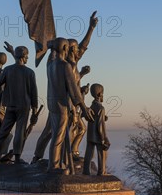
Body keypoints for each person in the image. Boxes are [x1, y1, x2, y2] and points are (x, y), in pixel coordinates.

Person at [30, 11, 97, 163]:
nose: (78, 49)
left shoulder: (69, 62)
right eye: (74, 47)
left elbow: (84, 46)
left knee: (67, 130)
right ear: (68, 49)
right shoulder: (64, 64)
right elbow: (71, 87)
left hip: (68, 102)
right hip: (65, 102)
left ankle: (66, 155)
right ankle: (46, 158)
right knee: (54, 131)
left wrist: (91, 28)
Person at [46, 38, 93, 173]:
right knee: (59, 136)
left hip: (52, 103)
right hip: (61, 104)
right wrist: (84, 108)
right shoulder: (65, 65)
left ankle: (54, 164)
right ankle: (53, 166)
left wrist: (51, 46)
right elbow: (73, 90)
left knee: (56, 133)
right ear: (66, 49)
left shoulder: (50, 64)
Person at [83, 83, 110, 175]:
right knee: (101, 153)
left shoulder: (92, 106)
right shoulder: (101, 108)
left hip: (90, 135)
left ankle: (86, 171)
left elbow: (92, 118)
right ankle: (101, 172)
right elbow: (100, 125)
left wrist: (103, 117)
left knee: (89, 153)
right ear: (99, 94)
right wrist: (104, 138)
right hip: (98, 135)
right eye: (102, 93)